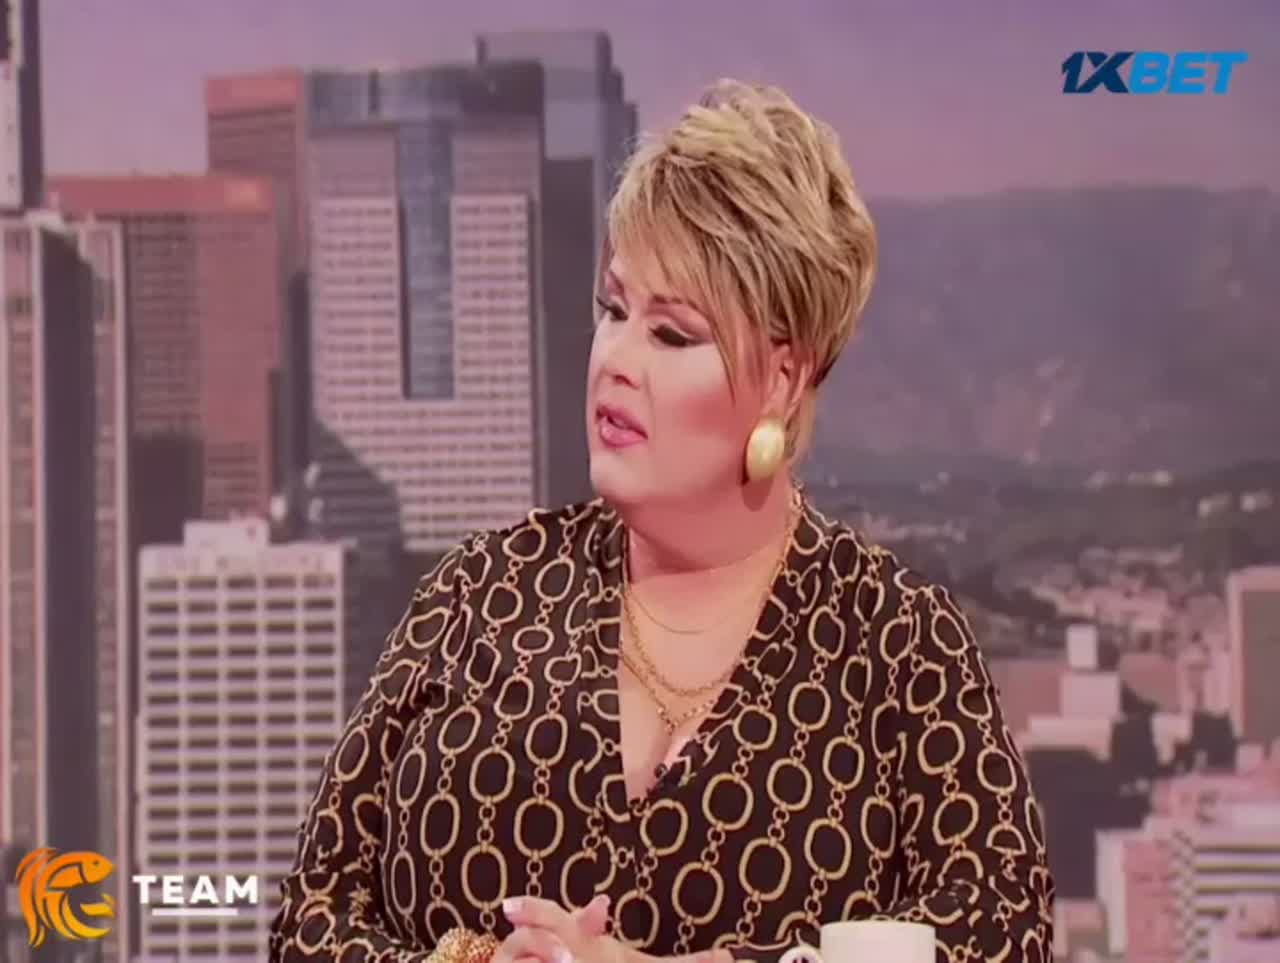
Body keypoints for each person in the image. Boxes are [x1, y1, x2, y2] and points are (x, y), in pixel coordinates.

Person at [269, 78, 1055, 963]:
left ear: (783, 380)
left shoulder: (899, 643)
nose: (615, 359)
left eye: (672, 335)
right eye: (614, 310)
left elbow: (1001, 933)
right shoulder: (480, 594)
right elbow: (309, 917)